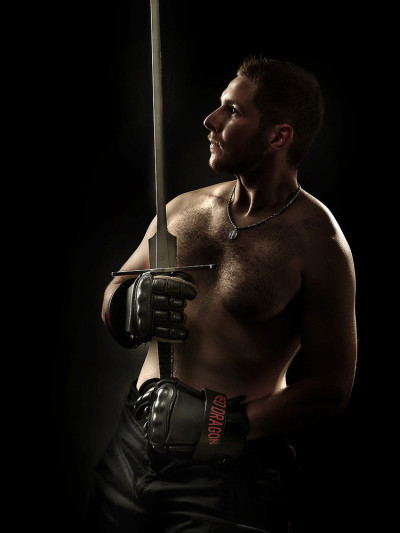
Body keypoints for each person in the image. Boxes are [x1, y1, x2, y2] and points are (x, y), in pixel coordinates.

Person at [89, 56, 357, 532]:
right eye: (219, 105)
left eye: (232, 111)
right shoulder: (183, 210)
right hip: (132, 448)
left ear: (278, 137)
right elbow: (117, 289)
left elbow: (331, 389)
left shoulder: (319, 244)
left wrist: (221, 425)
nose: (210, 120)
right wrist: (126, 305)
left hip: (228, 476)